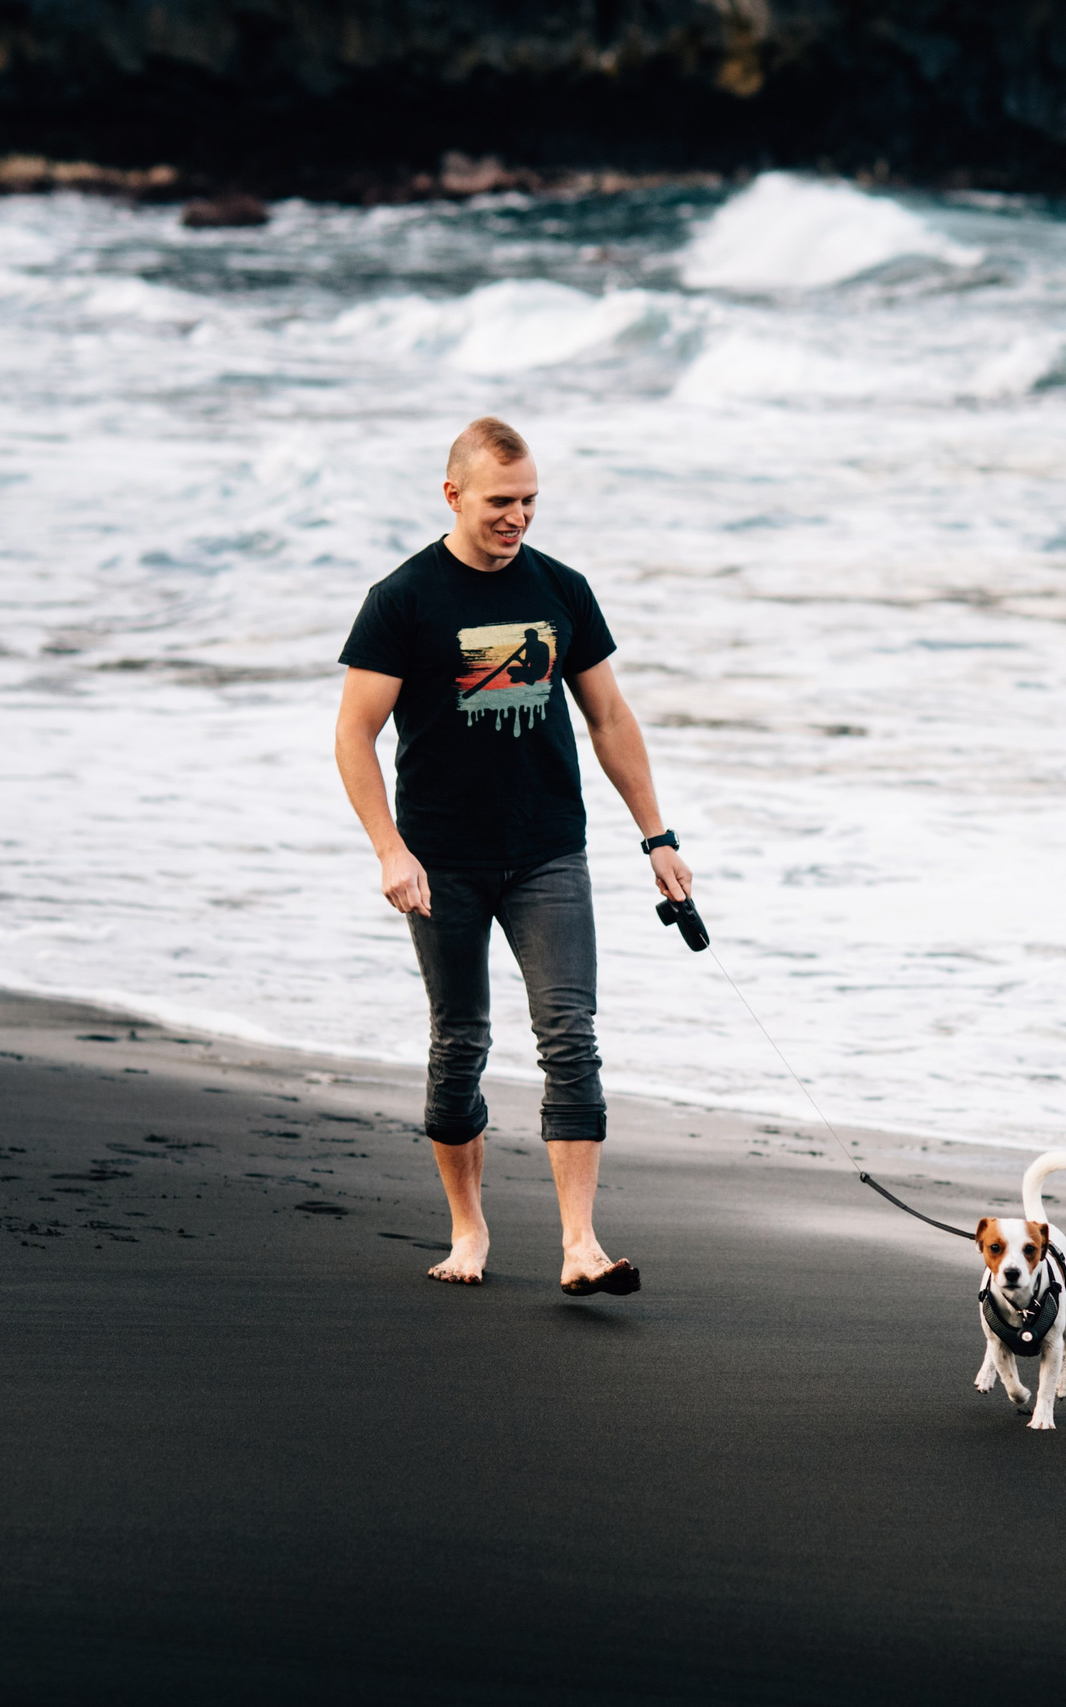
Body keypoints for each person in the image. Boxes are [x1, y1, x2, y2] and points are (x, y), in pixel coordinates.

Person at [332, 416, 692, 1294]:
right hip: (440, 862)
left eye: (529, 499)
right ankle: (469, 1228)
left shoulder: (561, 589)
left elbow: (610, 719)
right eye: (501, 501)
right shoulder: (404, 598)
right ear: (453, 494)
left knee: (571, 1036)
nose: (517, 516)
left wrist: (658, 837)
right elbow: (354, 733)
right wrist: (390, 849)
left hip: (546, 855)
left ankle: (580, 1245)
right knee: (460, 1044)